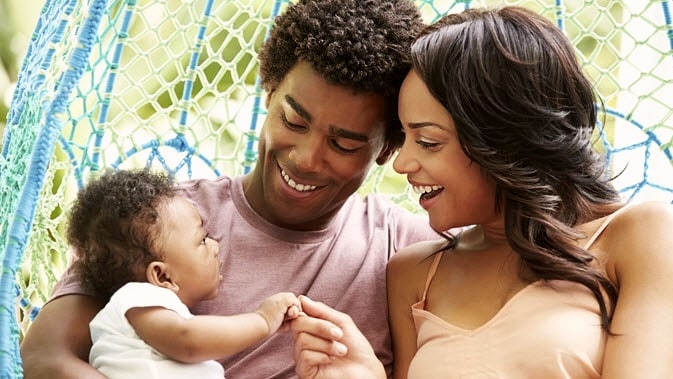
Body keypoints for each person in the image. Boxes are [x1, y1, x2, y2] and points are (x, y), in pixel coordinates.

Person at [20, 0, 438, 378]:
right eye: (293, 122)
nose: (306, 159)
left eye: (343, 144)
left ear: (387, 148)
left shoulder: (407, 251)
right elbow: (44, 357)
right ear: (270, 94)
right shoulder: (157, 221)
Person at [291, 6, 673, 379]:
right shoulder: (413, 274)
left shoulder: (641, 236)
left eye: (427, 141)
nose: (402, 163)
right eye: (404, 137)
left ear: (502, 140)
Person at [65, 169, 301, 378]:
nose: (216, 246)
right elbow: (189, 341)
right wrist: (262, 320)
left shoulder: (155, 311)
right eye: (202, 240)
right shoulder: (135, 298)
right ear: (162, 277)